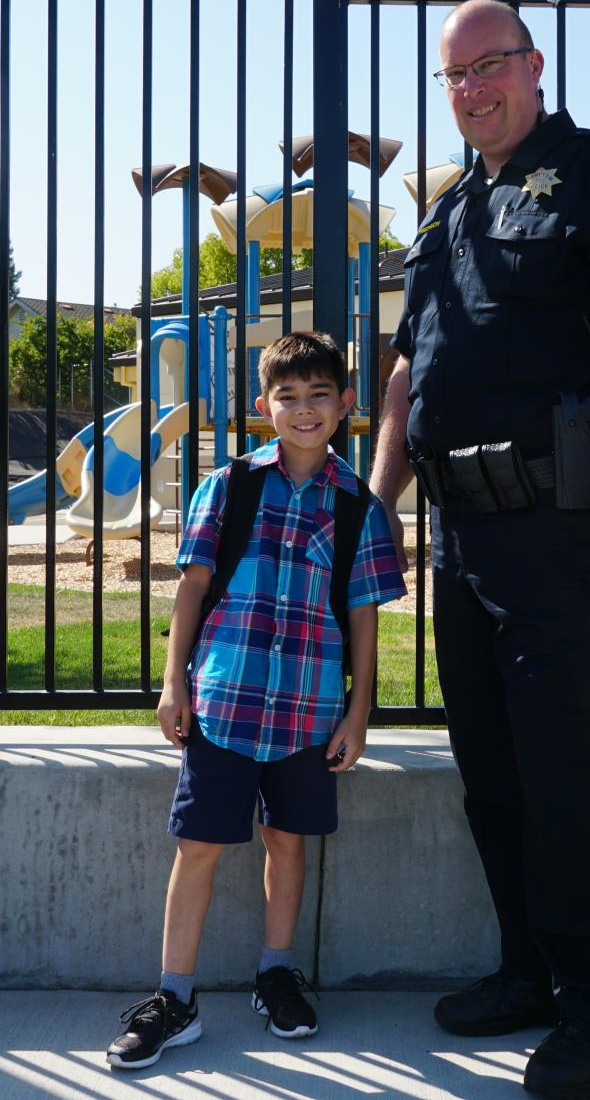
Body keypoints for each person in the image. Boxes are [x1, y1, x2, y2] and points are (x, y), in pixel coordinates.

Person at [368, 0, 590, 1100]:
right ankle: (530, 972)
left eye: (490, 65)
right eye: (453, 76)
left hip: (571, 535)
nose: (471, 89)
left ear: (534, 64)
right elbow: (411, 371)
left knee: (565, 779)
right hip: (465, 537)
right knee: (496, 781)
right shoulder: (450, 209)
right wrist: (378, 508)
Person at [106, 331, 408, 1071]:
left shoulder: (358, 508)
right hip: (224, 704)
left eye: (318, 396)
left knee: (287, 842)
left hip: (308, 712)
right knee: (200, 845)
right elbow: (193, 588)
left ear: (345, 405)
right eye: (288, 397)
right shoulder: (230, 486)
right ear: (262, 406)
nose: (303, 410)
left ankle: (276, 974)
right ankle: (174, 998)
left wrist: (359, 710)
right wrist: (174, 683)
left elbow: (364, 615)